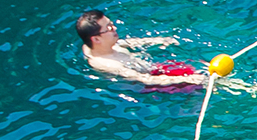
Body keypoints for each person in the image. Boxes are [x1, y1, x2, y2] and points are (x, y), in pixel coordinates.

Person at [76, 10, 207, 88]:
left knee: (198, 66)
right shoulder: (107, 64)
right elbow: (144, 79)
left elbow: (126, 43)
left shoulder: (97, 45)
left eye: (111, 24)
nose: (114, 28)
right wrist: (185, 80)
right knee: (201, 82)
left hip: (152, 69)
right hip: (150, 84)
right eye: (109, 28)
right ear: (96, 39)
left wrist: (157, 41)